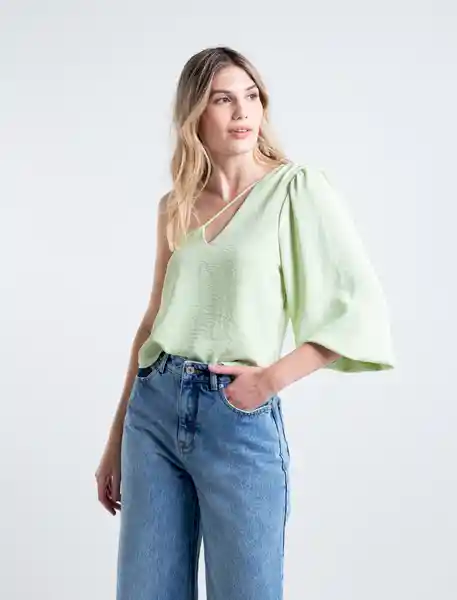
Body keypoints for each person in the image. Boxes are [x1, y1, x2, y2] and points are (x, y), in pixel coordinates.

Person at [95, 46, 396, 600]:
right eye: (222, 100)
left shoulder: (295, 188)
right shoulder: (176, 205)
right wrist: (115, 438)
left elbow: (358, 307)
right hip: (153, 414)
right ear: (195, 114)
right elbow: (154, 318)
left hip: (237, 420)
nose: (242, 112)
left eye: (251, 97)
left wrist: (269, 380)